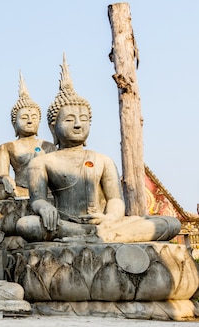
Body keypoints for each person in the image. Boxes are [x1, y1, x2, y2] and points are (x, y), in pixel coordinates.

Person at [15, 55, 181, 243]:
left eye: (84, 119)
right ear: (53, 127)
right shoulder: (42, 162)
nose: (78, 125)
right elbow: (37, 199)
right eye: (69, 120)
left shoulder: (102, 160)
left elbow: (115, 200)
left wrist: (110, 218)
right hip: (66, 224)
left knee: (171, 223)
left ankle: (102, 235)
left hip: (105, 224)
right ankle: (97, 236)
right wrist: (44, 207)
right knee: (26, 225)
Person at [0, 72, 55, 201]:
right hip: (19, 188)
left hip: (46, 189)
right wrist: (5, 179)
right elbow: (3, 173)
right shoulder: (6, 147)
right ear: (14, 123)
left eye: (34, 117)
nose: (29, 121)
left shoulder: (48, 146)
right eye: (24, 117)